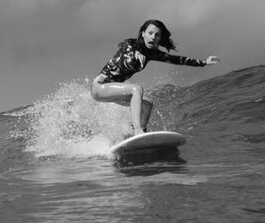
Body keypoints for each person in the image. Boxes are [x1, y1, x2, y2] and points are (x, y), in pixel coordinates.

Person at [90, 19, 220, 136]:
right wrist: (136, 53)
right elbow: (125, 50)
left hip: (113, 91)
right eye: (150, 33)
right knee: (136, 89)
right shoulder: (129, 43)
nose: (153, 37)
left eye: (157, 35)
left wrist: (203, 62)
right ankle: (137, 130)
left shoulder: (152, 54)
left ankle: (139, 133)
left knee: (148, 103)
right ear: (143, 33)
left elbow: (176, 60)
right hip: (99, 87)